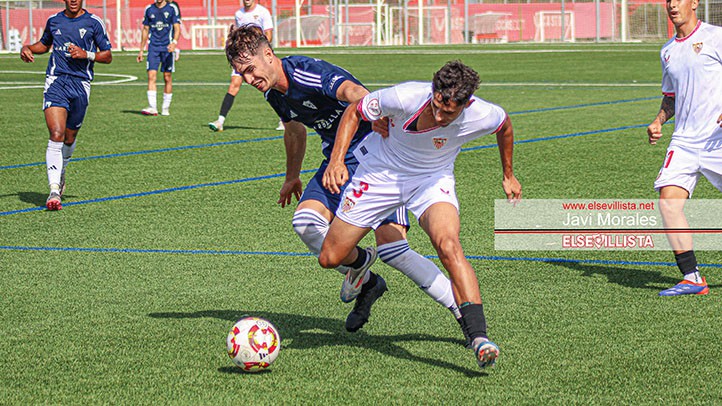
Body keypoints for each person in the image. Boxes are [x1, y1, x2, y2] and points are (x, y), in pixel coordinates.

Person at [224, 25, 465, 335]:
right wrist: (292, 176)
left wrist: (374, 113)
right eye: (241, 74)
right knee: (306, 224)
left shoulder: (305, 72)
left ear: (268, 55)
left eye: (250, 69)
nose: (247, 79)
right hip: (340, 161)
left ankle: (462, 310)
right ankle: (364, 272)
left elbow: (353, 92)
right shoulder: (273, 92)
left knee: (394, 249)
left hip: (381, 156)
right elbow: (295, 129)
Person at [318, 61, 522, 369]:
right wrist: (336, 161)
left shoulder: (482, 113)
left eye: (449, 113)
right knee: (330, 257)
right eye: (438, 105)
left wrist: (509, 174)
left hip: (432, 180)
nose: (440, 115)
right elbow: (354, 112)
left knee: (449, 244)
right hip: (380, 175)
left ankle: (479, 337)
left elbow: (504, 126)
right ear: (433, 91)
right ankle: (364, 267)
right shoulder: (405, 97)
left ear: (466, 105)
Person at [647, 0, 722, 296]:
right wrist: (658, 120)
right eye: (668, 0)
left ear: (694, 3)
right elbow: (671, 97)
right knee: (668, 202)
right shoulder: (667, 51)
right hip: (684, 141)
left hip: (717, 139)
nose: (673, 4)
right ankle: (692, 277)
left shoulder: (717, 36)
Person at [20, 0, 112, 211]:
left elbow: (107, 56)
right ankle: (53, 191)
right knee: (57, 133)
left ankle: (61, 171)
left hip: (80, 84)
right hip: (56, 81)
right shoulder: (54, 21)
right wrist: (27, 47)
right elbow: (44, 44)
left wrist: (85, 54)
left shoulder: (94, 23)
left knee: (70, 138)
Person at [208, 0, 277, 132]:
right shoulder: (239, 14)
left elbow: (268, 35)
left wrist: (259, 53)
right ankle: (220, 121)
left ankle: (284, 119)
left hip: (258, 58)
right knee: (234, 85)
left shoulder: (263, 12)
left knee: (271, 86)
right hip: (242, 59)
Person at [137, 0, 180, 116]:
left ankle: (165, 108)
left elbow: (177, 27)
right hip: (153, 48)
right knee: (151, 76)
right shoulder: (149, 9)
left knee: (167, 77)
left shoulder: (171, 9)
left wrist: (174, 43)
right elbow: (145, 30)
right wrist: (141, 49)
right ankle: (153, 107)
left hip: (167, 48)